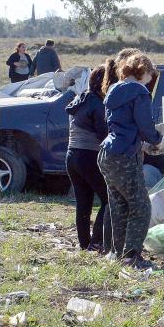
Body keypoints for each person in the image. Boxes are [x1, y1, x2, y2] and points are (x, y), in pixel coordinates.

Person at [98, 51, 164, 269]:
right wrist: (157, 139)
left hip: (106, 153)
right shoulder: (139, 92)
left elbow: (124, 124)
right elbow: (144, 126)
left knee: (119, 206)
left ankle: (118, 252)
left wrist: (152, 131)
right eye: (151, 75)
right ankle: (132, 256)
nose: (151, 80)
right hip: (124, 155)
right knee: (141, 207)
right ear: (143, 70)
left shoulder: (113, 89)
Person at [65, 65, 110, 252]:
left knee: (84, 203)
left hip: (71, 156)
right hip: (88, 156)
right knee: (109, 199)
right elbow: (104, 135)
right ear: (103, 83)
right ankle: (97, 241)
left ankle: (85, 245)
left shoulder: (80, 98)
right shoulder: (98, 104)